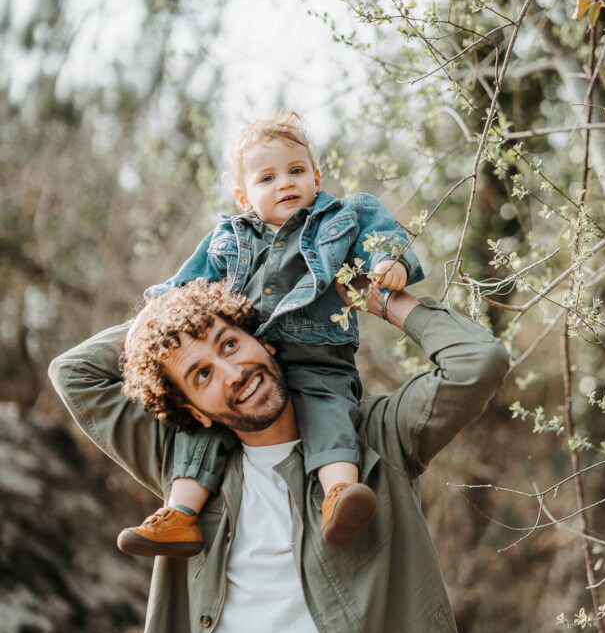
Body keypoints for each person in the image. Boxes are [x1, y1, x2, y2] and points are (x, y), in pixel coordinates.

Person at [49, 276, 509, 633]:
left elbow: (479, 361)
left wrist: (375, 296)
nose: (232, 371)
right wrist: (168, 314)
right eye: (201, 374)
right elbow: (74, 373)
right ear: (193, 410)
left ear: (263, 340)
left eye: (229, 344)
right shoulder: (183, 472)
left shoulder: (377, 440)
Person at [116, 111, 424, 558]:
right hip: (248, 355)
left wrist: (390, 264)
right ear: (244, 196)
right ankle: (181, 513)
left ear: (316, 177)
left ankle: (340, 494)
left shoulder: (343, 216)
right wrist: (149, 314)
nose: (285, 184)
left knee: (329, 409)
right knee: (205, 424)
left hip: (321, 349)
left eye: (296, 171)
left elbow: (383, 237)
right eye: (268, 178)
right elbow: (186, 285)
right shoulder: (229, 236)